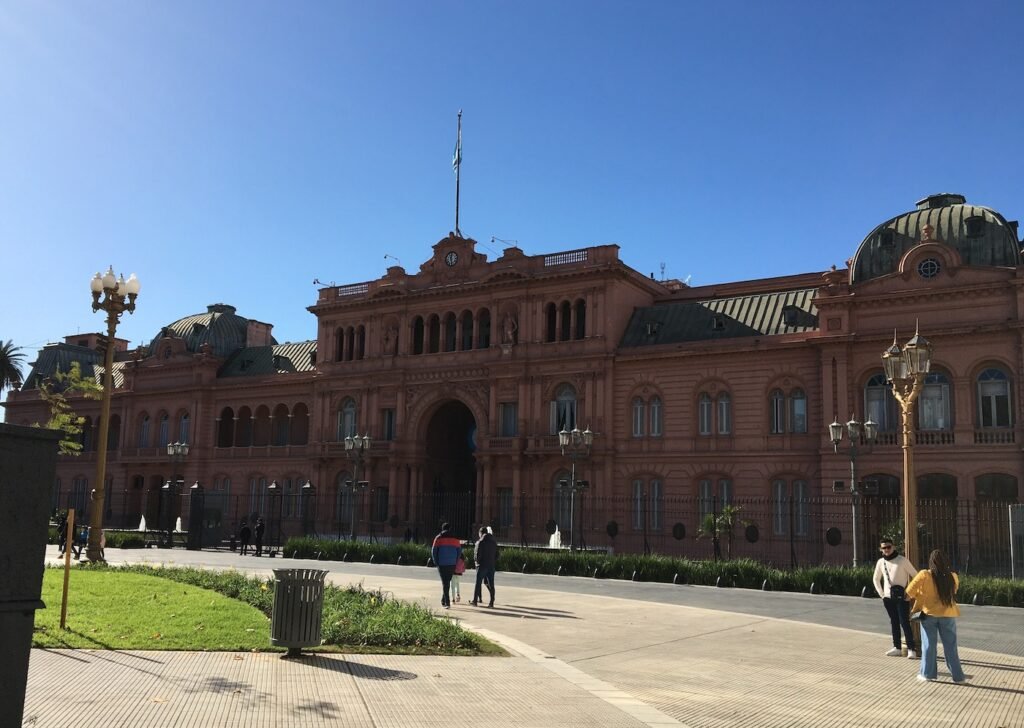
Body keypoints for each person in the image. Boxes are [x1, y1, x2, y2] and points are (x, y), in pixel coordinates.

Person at [906, 549, 966, 683]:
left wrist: (921, 595)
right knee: (951, 646)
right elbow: (953, 591)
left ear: (931, 562)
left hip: (929, 615)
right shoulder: (953, 576)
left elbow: (909, 592)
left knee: (929, 645)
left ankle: (927, 674)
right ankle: (958, 677)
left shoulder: (924, 574)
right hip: (948, 615)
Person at [872, 537, 918, 658]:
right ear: (880, 549)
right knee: (894, 622)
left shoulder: (902, 560)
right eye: (884, 548)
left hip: (901, 597)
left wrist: (909, 594)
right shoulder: (881, 562)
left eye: (889, 547)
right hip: (887, 597)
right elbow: (876, 579)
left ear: (893, 547)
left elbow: (916, 576)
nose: (886, 549)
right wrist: (882, 594)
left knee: (904, 622)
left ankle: (911, 649)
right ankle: (896, 647)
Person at [431, 522, 461, 609]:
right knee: (447, 582)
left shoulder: (438, 538)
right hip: (452, 564)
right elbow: (459, 552)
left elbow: (433, 551)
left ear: (442, 528)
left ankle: (447, 602)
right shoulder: (455, 539)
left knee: (445, 583)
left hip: (442, 563)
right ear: (450, 528)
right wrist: (455, 561)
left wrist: (436, 561)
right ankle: (443, 600)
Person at [472, 526, 498, 607]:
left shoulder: (480, 542)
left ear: (480, 533)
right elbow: (497, 555)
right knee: (491, 584)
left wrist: (477, 562)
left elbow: (477, 555)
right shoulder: (494, 542)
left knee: (478, 583)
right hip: (491, 565)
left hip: (482, 565)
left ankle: (475, 601)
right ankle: (491, 602)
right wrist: (492, 561)